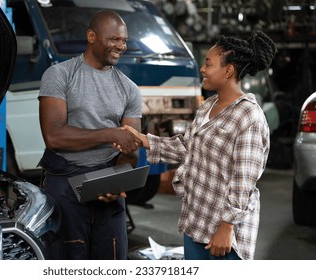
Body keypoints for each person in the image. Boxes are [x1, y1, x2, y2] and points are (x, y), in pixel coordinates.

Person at [120, 31, 277, 260]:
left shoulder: (248, 116)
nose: (202, 69)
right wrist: (144, 140)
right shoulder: (208, 106)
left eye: (208, 63)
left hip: (223, 234)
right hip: (197, 220)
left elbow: (243, 180)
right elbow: (187, 146)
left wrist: (227, 227)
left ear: (228, 70)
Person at [37, 10, 142, 260]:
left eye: (124, 40)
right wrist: (109, 134)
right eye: (114, 39)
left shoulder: (130, 89)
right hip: (65, 184)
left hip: (107, 184)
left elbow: (131, 149)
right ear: (92, 36)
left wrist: (116, 183)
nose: (121, 46)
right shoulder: (59, 75)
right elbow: (54, 136)